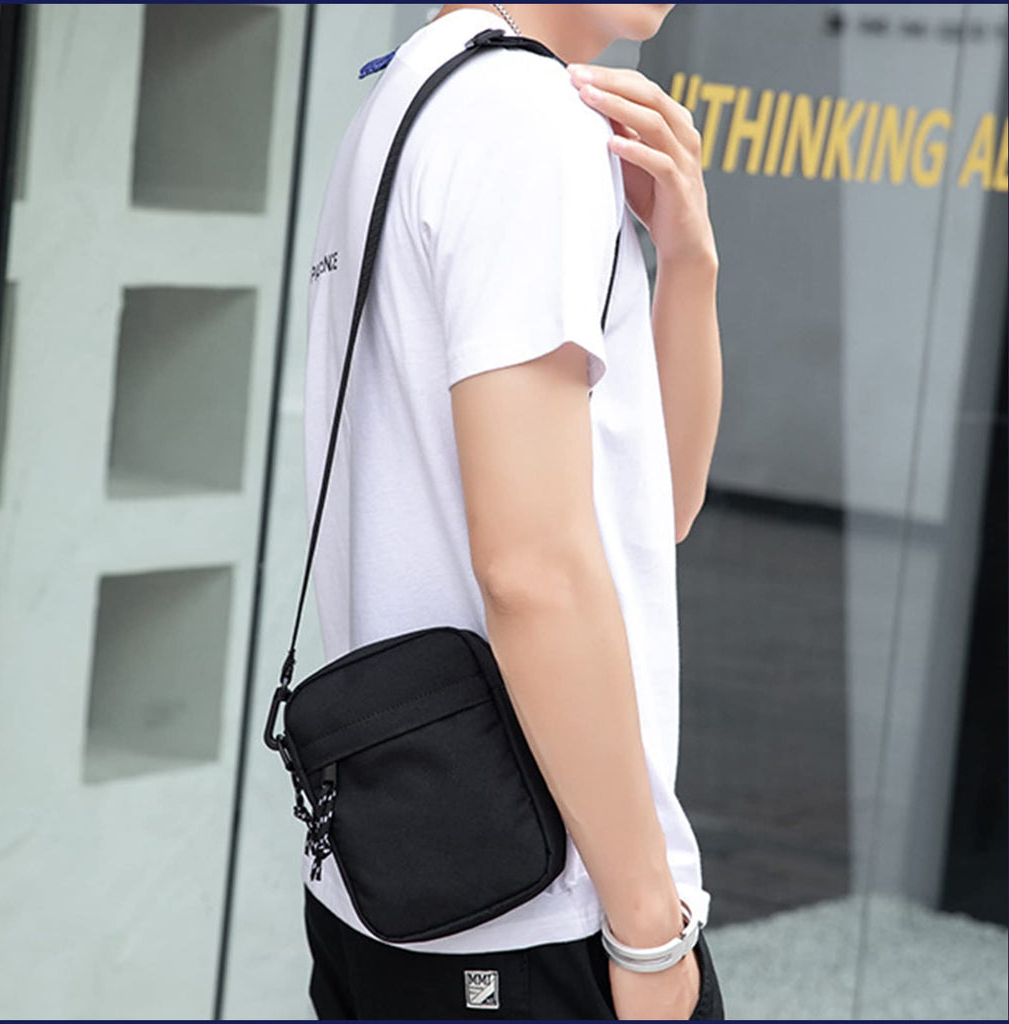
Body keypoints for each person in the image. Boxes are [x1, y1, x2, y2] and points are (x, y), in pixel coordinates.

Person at [301, 3, 724, 1019]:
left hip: (403, 864)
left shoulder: (411, 94)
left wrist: (688, 266)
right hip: (533, 909)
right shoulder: (520, 119)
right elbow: (531, 566)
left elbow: (656, 508)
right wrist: (647, 927)